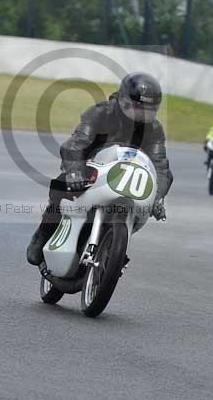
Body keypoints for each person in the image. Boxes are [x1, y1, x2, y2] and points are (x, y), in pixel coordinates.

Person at [26, 72, 173, 266]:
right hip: (91, 167)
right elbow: (75, 145)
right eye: (137, 108)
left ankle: (114, 250)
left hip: (126, 177)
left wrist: (157, 196)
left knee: (143, 204)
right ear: (123, 100)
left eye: (148, 111)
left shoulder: (154, 129)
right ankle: (44, 231)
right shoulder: (100, 113)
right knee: (61, 184)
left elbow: (161, 167)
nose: (141, 115)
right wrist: (74, 171)